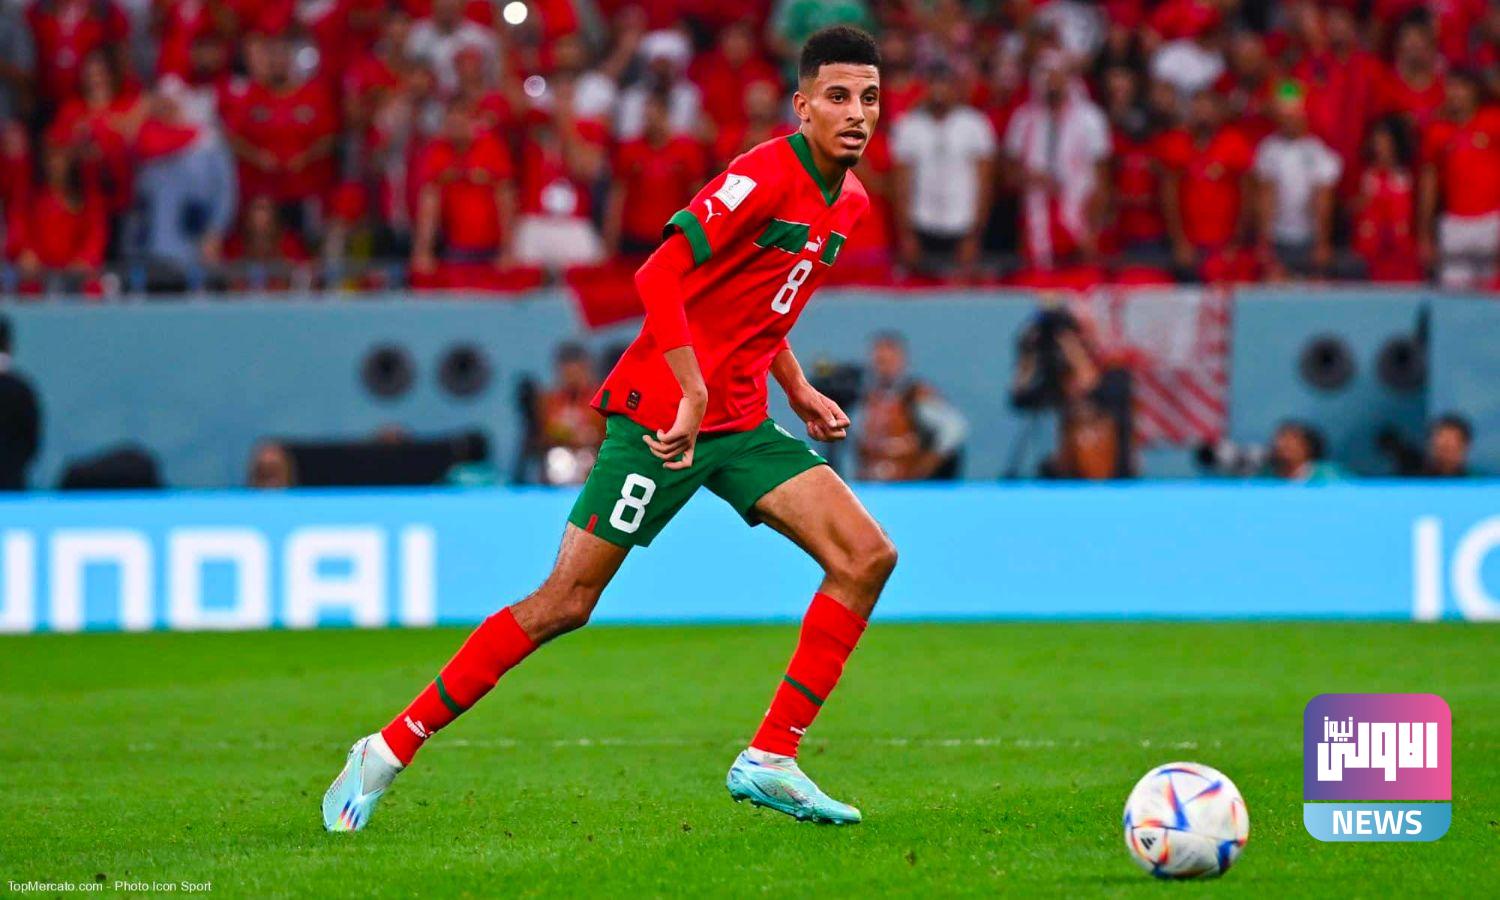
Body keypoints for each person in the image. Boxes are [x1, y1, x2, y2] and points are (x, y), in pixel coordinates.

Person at [323, 26, 893, 831]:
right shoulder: (763, 174)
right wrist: (690, 388)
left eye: (869, 97)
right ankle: (385, 748)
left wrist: (795, 387)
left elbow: (757, 305)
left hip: (737, 422)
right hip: (664, 416)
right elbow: (660, 273)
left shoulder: (851, 201)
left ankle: (771, 757)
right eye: (838, 96)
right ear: (802, 107)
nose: (856, 112)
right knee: (565, 601)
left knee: (866, 556)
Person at [891, 59, 997, 278]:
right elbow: (901, 185)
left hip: (963, 225)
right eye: (934, 84)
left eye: (945, 84)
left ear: (955, 87)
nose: (939, 90)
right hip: (922, 223)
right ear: (925, 88)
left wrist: (976, 234)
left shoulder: (975, 124)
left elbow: (985, 185)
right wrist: (906, 235)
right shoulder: (909, 126)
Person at [1252, 83, 1340, 278]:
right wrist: (1264, 241)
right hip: (1278, 236)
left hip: (1309, 236)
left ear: (1303, 116)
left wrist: (1322, 243)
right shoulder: (1268, 149)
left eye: (1292, 116)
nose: (1288, 121)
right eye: (1284, 116)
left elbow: (1323, 201)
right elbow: (1265, 198)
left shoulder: (1318, 150)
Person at [855, 332, 968, 481]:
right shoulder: (866, 398)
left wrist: (926, 467)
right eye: (880, 361)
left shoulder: (916, 396)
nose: (884, 367)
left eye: (889, 361)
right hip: (872, 482)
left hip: (908, 483)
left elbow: (953, 430)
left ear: (901, 360)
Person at [0, 316, 40, 491]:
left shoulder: (20, 391)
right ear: (9, 345)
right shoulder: (21, 390)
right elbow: (31, 441)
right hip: (12, 484)